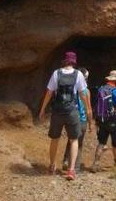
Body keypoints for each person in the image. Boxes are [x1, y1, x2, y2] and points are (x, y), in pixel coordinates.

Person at [39, 52, 92, 180]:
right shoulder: (78, 74)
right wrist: (88, 108)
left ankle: (52, 166)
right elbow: (82, 94)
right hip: (72, 112)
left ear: (65, 61)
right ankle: (71, 170)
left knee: (55, 139)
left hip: (57, 111)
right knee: (74, 139)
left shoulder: (56, 73)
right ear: (74, 62)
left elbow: (49, 92)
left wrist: (42, 109)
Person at [90, 70, 116, 173]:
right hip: (112, 120)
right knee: (115, 144)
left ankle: (95, 164)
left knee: (101, 142)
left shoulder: (101, 89)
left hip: (101, 119)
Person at [62, 67, 92, 172]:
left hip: (71, 117)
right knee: (79, 143)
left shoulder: (71, 89)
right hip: (82, 120)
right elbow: (89, 109)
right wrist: (91, 123)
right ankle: (76, 167)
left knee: (71, 139)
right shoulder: (87, 91)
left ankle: (66, 160)